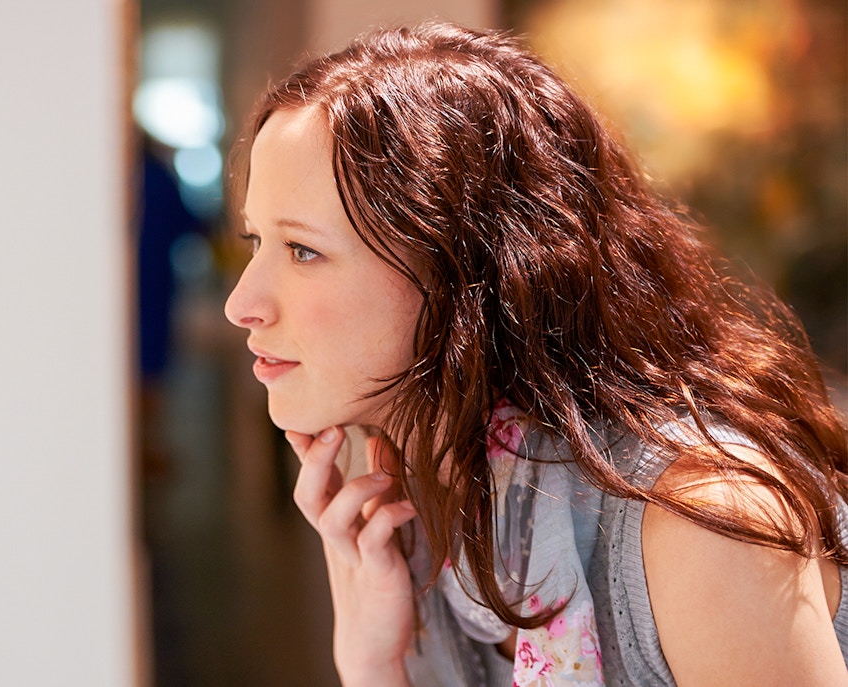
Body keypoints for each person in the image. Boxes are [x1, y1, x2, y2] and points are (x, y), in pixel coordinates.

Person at [223, 22, 848, 686]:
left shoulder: (702, 522)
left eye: (303, 250)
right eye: (256, 240)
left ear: (464, 267)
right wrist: (372, 663)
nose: (243, 302)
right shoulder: (431, 515)